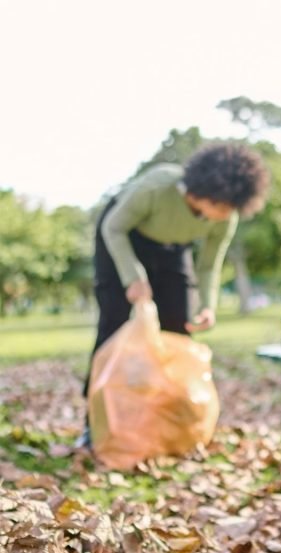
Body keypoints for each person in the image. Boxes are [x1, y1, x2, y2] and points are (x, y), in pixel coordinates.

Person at [79, 143, 270, 447]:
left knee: (179, 326)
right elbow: (113, 228)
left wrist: (208, 305)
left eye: (231, 209)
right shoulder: (157, 187)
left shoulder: (225, 217)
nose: (225, 215)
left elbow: (208, 266)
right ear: (202, 191)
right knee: (113, 326)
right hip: (121, 237)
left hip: (171, 248)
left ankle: (169, 423)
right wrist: (133, 277)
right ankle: (94, 425)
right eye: (222, 206)